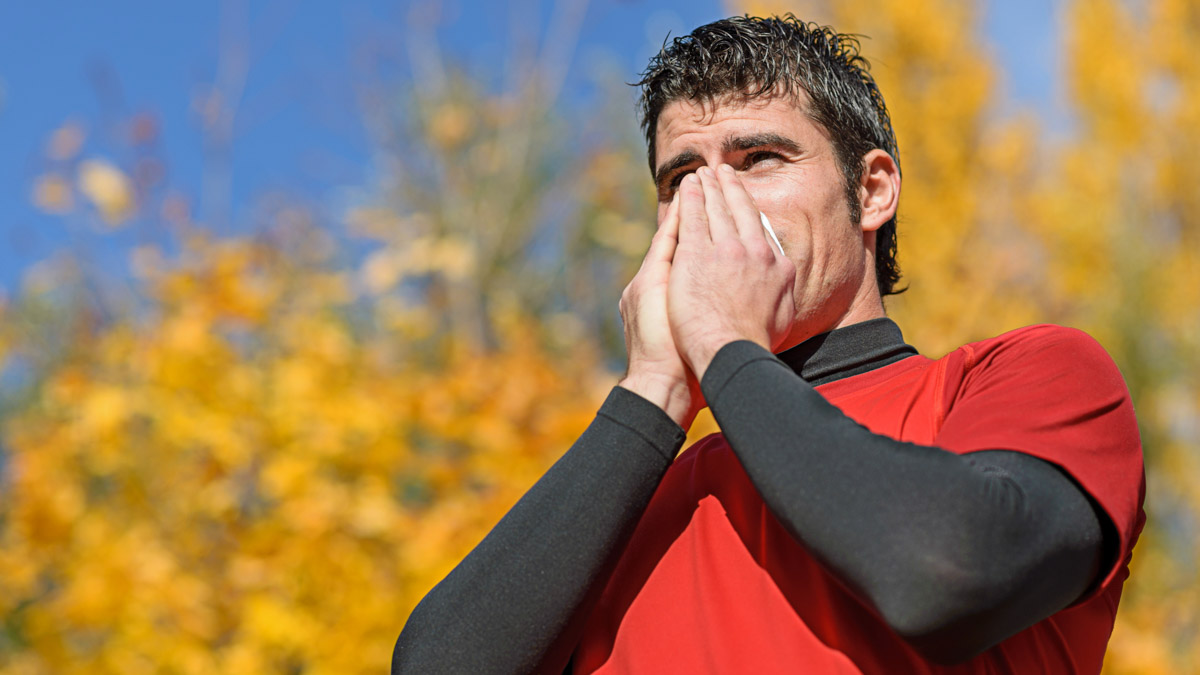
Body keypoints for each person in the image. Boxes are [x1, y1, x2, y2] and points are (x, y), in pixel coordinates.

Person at [393, 14, 1144, 674]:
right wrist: (654, 390)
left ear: (873, 190)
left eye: (759, 160)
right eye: (681, 177)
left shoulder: (1022, 374)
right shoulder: (629, 500)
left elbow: (943, 574)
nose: (714, 203)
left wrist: (722, 339)